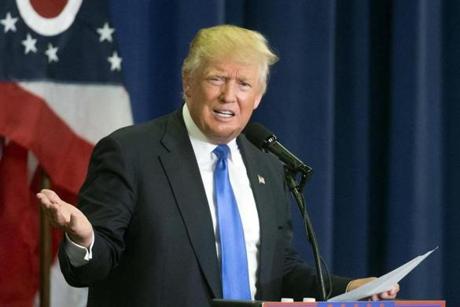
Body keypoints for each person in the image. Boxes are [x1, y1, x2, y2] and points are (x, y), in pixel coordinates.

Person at [37, 25, 399, 307]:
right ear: (188, 82)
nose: (229, 96)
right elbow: (93, 266)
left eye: (243, 83)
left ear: (257, 97)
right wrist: (83, 239)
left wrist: (352, 288)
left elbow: (279, 271)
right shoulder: (130, 153)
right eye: (217, 79)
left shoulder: (268, 166)